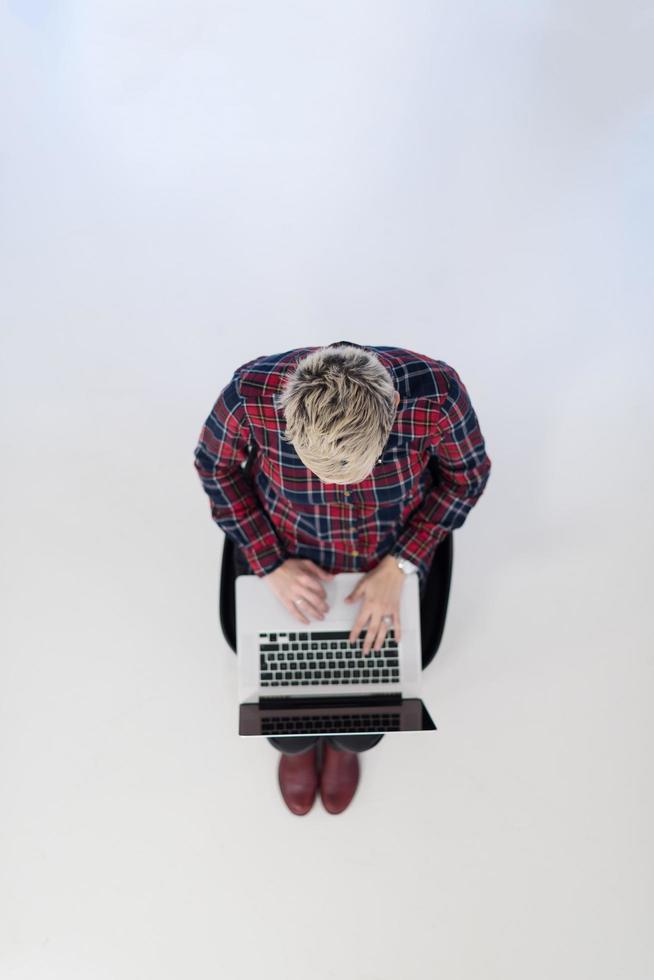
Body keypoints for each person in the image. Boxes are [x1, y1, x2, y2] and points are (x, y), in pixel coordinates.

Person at [193, 341, 492, 815]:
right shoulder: (249, 395)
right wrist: (269, 562)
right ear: (286, 413)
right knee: (283, 729)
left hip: (388, 553)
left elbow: (466, 477)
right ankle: (300, 749)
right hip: (288, 551)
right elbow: (216, 468)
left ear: (392, 406)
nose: (338, 489)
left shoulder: (437, 395)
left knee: (363, 729)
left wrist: (401, 563)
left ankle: (343, 748)